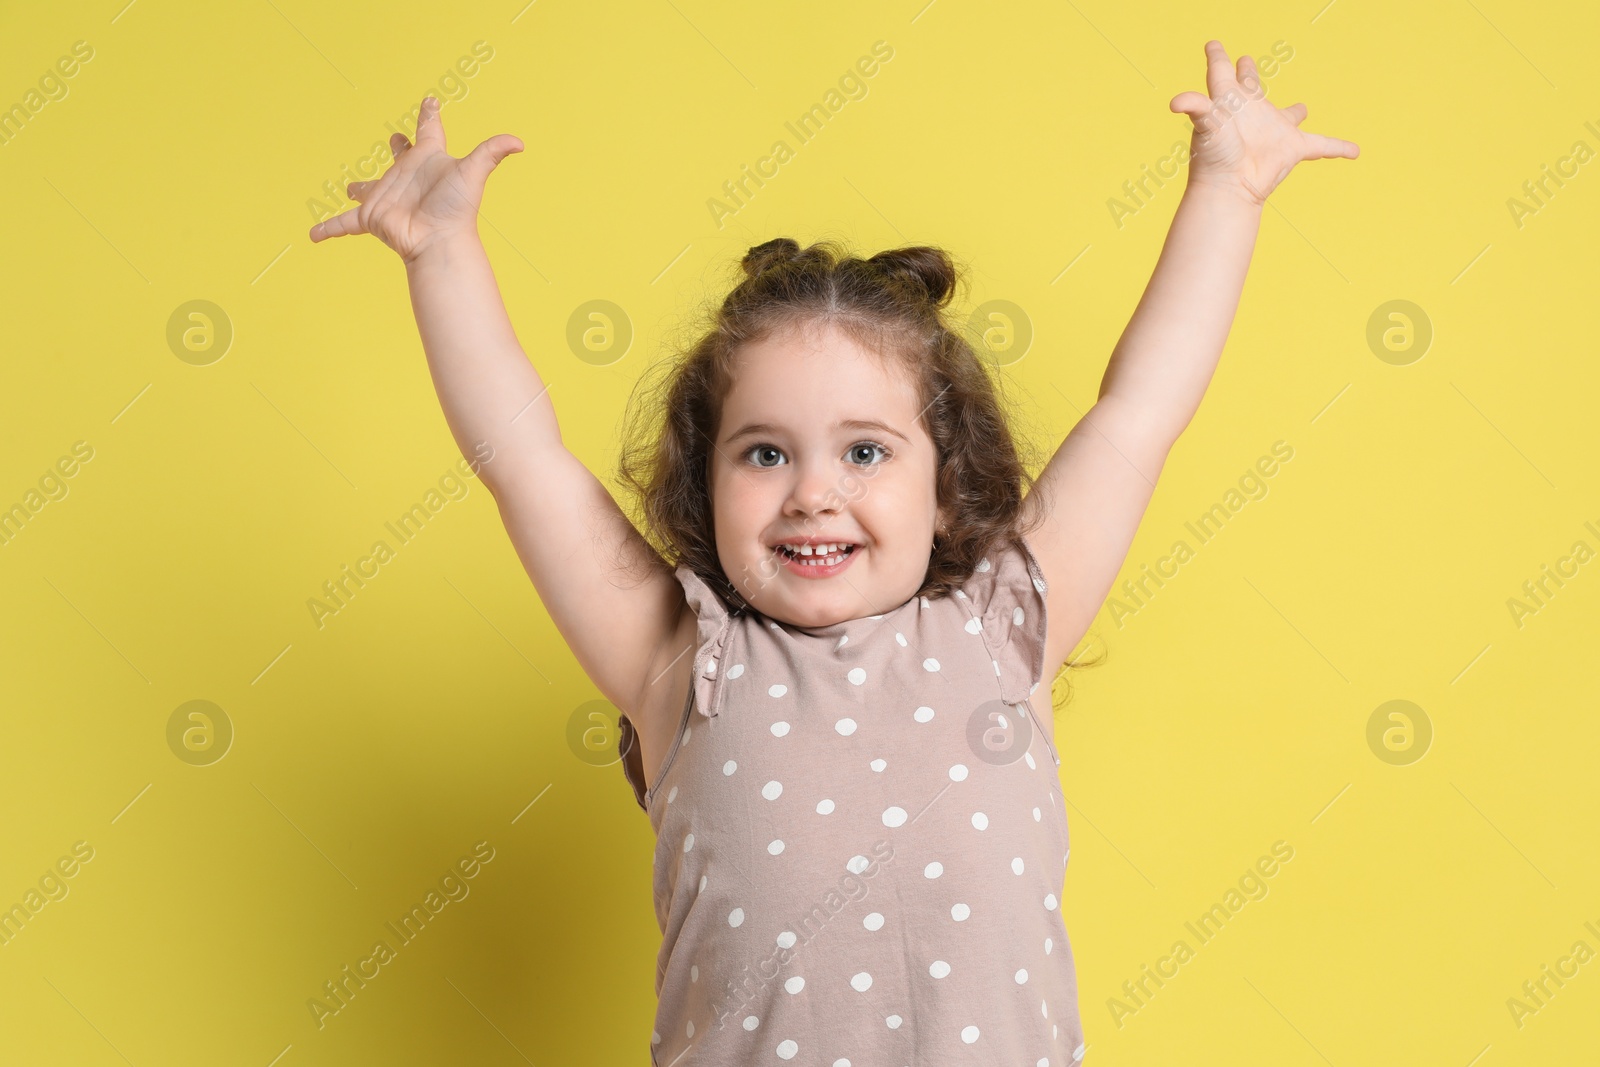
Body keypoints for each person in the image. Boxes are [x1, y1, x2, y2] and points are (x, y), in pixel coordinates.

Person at [310, 38, 1357, 1065]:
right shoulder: (679, 657)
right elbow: (524, 460)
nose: (814, 491)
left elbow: (1136, 414)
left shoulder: (1006, 623)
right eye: (763, 452)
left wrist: (1227, 191)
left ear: (945, 482)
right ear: (703, 484)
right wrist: (440, 252)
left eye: (865, 450)